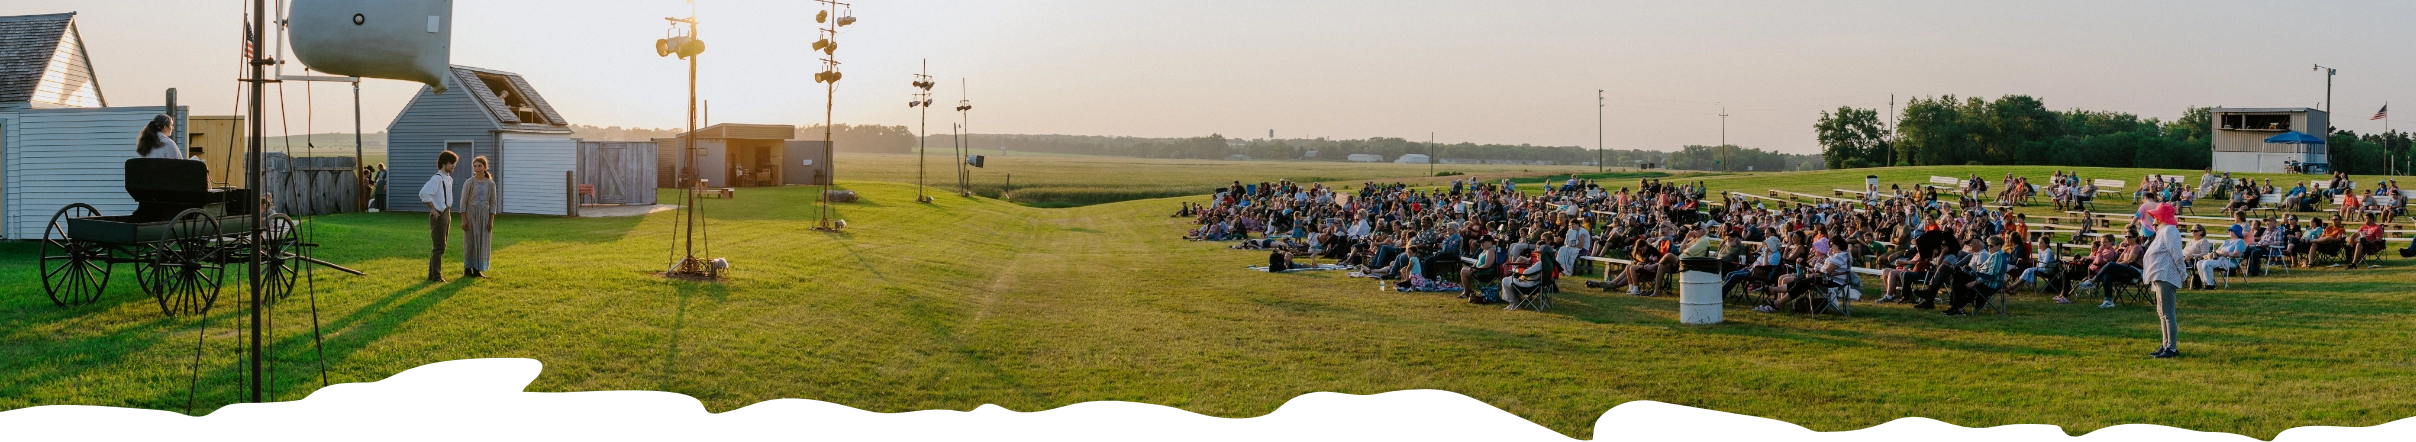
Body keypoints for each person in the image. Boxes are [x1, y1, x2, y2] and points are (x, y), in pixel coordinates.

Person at [2139, 202, 2186, 358]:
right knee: (2161, 313)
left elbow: (2177, 255)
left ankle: (2171, 348)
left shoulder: (2170, 231)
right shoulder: (2163, 231)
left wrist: (2183, 273)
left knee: (2168, 313)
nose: (2153, 219)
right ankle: (2165, 345)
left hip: (2166, 275)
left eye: (2155, 216)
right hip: (2159, 275)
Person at [420, 151, 460, 283]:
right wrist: (432, 208)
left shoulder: (448, 178)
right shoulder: (437, 178)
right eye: (452, 163)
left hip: (447, 212)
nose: (454, 166)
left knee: (441, 245)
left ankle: (432, 275)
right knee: (439, 246)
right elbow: (424, 193)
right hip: (439, 213)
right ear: (444, 163)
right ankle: (436, 276)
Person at [461, 156, 500, 278]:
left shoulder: (491, 184)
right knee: (470, 241)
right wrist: (464, 219)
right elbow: (463, 202)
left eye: (479, 166)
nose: (477, 168)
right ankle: (468, 269)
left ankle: (478, 269)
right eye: (475, 166)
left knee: (483, 241)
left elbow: (493, 203)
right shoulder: (469, 182)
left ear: (485, 167)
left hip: (484, 214)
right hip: (471, 214)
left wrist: (491, 220)